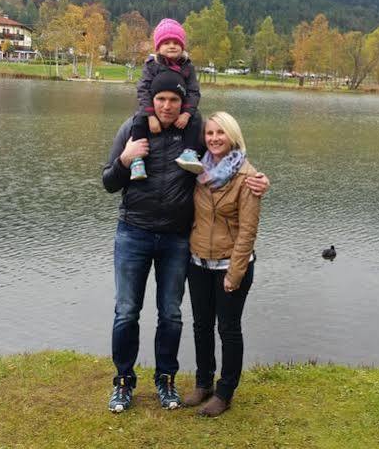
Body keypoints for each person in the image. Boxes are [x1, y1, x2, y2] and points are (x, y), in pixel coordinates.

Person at [101, 73, 268, 413]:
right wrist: (124, 159)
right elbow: (108, 182)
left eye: (173, 100)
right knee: (127, 311)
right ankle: (123, 383)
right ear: (152, 100)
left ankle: (168, 381)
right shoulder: (134, 130)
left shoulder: (197, 137)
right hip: (135, 233)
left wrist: (260, 179)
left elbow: (231, 158)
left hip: (178, 241)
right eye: (160, 99)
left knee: (173, 315)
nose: (166, 105)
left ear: (183, 103)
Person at [183, 111, 260, 417]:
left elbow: (248, 231)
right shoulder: (196, 169)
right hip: (198, 261)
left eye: (220, 133)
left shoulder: (248, 177)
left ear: (233, 137)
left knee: (228, 329)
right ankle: (204, 384)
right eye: (210, 133)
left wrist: (235, 272)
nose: (214, 138)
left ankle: (225, 392)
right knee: (201, 325)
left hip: (231, 264)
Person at [128, 18, 203, 181]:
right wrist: (151, 116)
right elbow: (143, 90)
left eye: (176, 42)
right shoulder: (152, 64)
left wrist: (186, 114)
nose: (172, 46)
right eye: (166, 42)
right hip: (151, 111)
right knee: (139, 119)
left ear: (182, 46)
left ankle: (189, 153)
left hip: (181, 111)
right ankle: (136, 159)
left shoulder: (187, 66)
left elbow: (193, 91)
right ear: (158, 47)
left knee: (196, 117)